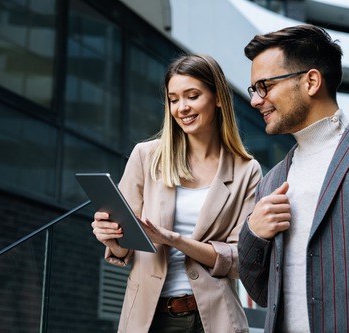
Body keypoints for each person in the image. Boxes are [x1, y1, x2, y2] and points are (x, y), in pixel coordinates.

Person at [237, 24, 349, 333]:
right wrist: (253, 232)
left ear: (311, 81)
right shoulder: (272, 181)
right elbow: (262, 293)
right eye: (254, 90)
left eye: (264, 86)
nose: (256, 100)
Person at [91, 54, 262, 333]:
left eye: (192, 96)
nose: (182, 107)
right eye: (173, 99)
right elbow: (124, 248)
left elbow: (240, 260)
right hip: (148, 318)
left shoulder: (246, 170)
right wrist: (111, 237)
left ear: (218, 98)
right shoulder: (146, 157)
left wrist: (176, 240)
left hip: (214, 320)